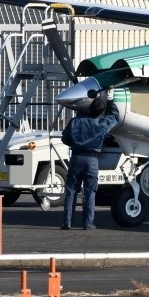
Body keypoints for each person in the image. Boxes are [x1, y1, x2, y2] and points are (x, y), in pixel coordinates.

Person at [60, 93, 120, 230]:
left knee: (71, 191)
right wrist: (111, 101)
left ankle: (66, 222)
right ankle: (88, 223)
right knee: (90, 192)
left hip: (76, 157)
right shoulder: (102, 124)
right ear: (100, 111)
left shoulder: (75, 122)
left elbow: (64, 138)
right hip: (92, 160)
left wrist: (74, 143)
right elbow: (115, 117)